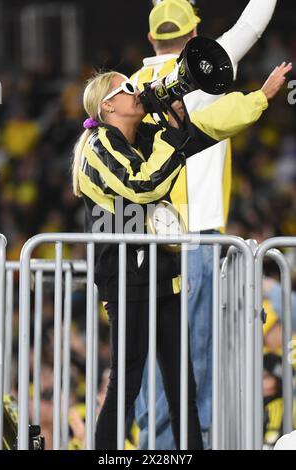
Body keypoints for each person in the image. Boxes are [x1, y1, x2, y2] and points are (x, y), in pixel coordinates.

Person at [72, 63, 291, 450]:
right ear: (106, 108)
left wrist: (260, 97)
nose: (134, 89)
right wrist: (171, 137)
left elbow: (203, 131)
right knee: (128, 378)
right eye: (124, 88)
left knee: (180, 381)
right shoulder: (98, 146)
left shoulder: (147, 135)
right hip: (124, 275)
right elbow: (140, 184)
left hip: (162, 269)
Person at [131, 0, 279, 448]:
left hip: (139, 241)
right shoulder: (208, 63)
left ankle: (150, 446)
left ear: (151, 38)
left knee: (146, 351)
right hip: (195, 239)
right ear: (196, 36)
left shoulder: (130, 88)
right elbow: (254, 20)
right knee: (194, 352)